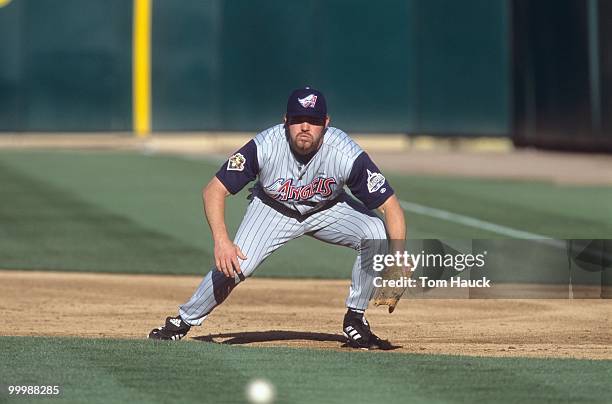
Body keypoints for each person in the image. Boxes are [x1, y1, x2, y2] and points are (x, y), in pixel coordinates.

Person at [148, 87, 406, 349]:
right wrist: (222, 240)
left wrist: (395, 258)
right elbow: (214, 190)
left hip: (327, 209)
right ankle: (182, 321)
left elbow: (390, 206)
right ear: (286, 121)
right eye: (297, 119)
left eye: (314, 121)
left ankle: (355, 319)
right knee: (236, 265)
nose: (305, 127)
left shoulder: (346, 154)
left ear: (326, 124)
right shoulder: (265, 145)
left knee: (375, 231)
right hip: (272, 208)